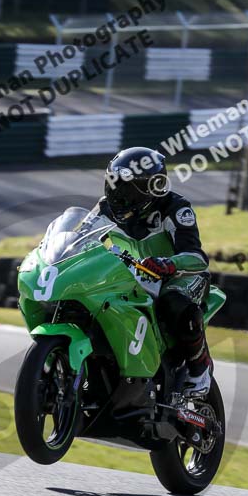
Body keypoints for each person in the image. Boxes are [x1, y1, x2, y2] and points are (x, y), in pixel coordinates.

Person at [98, 146, 213, 397]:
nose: (117, 193)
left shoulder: (175, 208)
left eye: (125, 187)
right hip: (135, 275)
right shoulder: (105, 209)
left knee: (173, 303)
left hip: (181, 276)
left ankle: (200, 370)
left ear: (148, 188)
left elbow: (197, 258)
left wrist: (168, 264)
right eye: (114, 183)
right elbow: (81, 241)